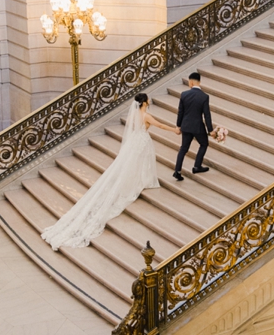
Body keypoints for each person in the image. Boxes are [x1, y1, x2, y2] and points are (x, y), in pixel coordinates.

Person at [41, 92, 175, 250]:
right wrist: (175, 129)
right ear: (145, 102)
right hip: (141, 142)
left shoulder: (133, 115)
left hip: (134, 142)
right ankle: (138, 181)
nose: (150, 100)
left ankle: (139, 179)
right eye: (148, 99)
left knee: (131, 164)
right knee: (137, 164)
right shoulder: (146, 116)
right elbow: (159, 125)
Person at [174, 72, 214, 181]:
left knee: (183, 149)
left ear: (191, 82)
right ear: (199, 82)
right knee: (204, 144)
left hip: (186, 126)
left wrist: (178, 125)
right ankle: (197, 166)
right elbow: (207, 115)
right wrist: (210, 130)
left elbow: (180, 112)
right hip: (198, 127)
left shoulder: (184, 94)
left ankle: (177, 171)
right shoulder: (204, 96)